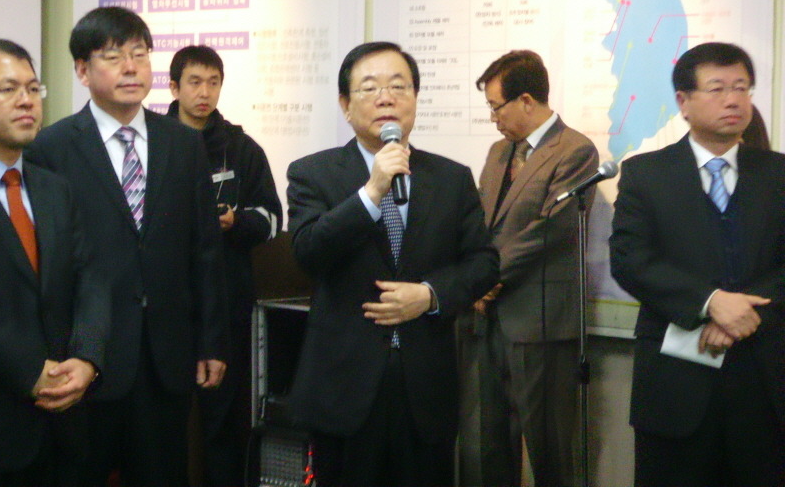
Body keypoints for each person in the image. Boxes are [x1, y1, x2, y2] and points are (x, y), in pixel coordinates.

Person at [26, 7, 230, 486]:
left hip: (166, 354)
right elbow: (45, 263)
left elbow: (204, 250)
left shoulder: (182, 144)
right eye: (113, 57)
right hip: (83, 359)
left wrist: (211, 341)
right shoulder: (51, 148)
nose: (131, 68)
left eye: (140, 54)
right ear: (82, 70)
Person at [286, 41, 499, 486]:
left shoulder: (451, 177)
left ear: (415, 98)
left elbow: (483, 263)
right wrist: (371, 192)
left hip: (425, 388)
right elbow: (309, 252)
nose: (386, 98)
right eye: (370, 88)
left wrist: (430, 295)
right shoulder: (312, 173)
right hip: (344, 389)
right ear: (345, 105)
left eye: (399, 86)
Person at [610, 42, 785, 486]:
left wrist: (740, 313)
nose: (733, 100)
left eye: (742, 88)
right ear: (683, 102)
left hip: (765, 377)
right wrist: (709, 302)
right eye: (718, 88)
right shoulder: (646, 174)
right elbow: (630, 259)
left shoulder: (778, 173)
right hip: (676, 381)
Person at [459, 50, 599, 487]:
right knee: (492, 443)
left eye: (496, 107)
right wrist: (474, 277)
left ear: (525, 100)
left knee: (549, 447)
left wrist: (487, 276)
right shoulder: (499, 152)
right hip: (490, 318)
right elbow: (481, 222)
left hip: (541, 323)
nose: (493, 118)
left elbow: (548, 230)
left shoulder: (575, 151)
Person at [0, 38, 108, 486]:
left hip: (63, 428)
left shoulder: (55, 189)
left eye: (33, 89)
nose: (26, 101)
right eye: (7, 89)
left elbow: (90, 279)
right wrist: (29, 371)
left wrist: (87, 359)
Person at [167, 45, 281, 486]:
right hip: (166, 304)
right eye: (195, 82)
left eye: (213, 83)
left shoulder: (241, 147)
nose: (205, 93)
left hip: (227, 302)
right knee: (163, 423)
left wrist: (237, 221)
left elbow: (272, 219)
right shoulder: (154, 141)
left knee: (225, 423)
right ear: (174, 87)